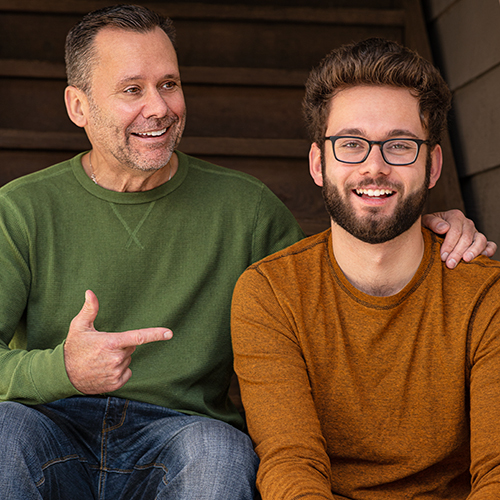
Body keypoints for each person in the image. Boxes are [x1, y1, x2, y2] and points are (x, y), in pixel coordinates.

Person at [0, 4, 491, 498]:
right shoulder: (21, 208)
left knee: (219, 453)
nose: (159, 107)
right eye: (133, 89)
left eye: (169, 83)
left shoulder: (247, 208)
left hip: (183, 434)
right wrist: (60, 368)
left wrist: (427, 224)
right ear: (77, 106)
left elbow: (338, 279)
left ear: (431, 164)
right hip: (51, 422)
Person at [231, 38, 500, 500]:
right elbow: (291, 463)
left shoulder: (484, 296)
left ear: (432, 165)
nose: (374, 167)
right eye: (351, 144)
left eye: (399, 145)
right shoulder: (270, 293)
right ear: (319, 163)